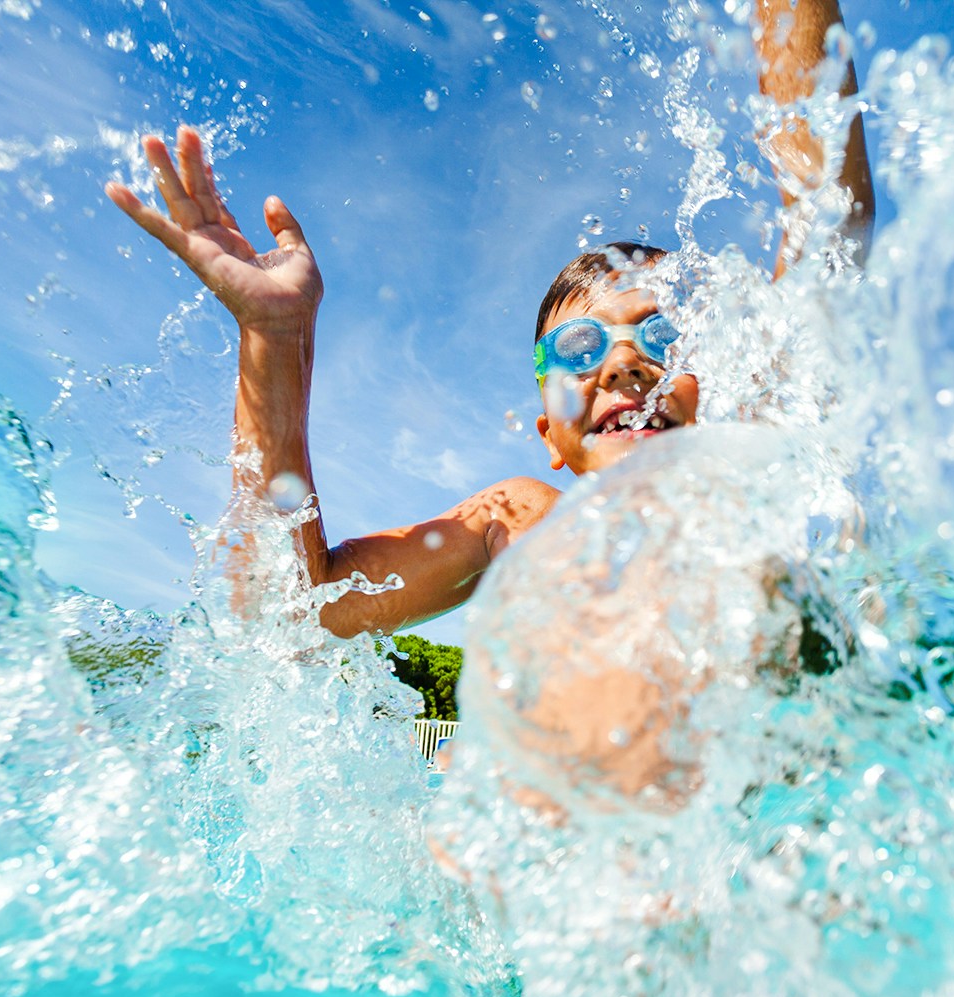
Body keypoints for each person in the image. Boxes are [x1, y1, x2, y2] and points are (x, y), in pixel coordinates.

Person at [105, 0, 874, 640]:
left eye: (665, 337)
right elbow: (296, 608)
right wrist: (273, 343)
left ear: (716, 385)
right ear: (552, 437)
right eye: (580, 347)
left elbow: (827, 227)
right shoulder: (520, 519)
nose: (628, 363)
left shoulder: (762, 499)